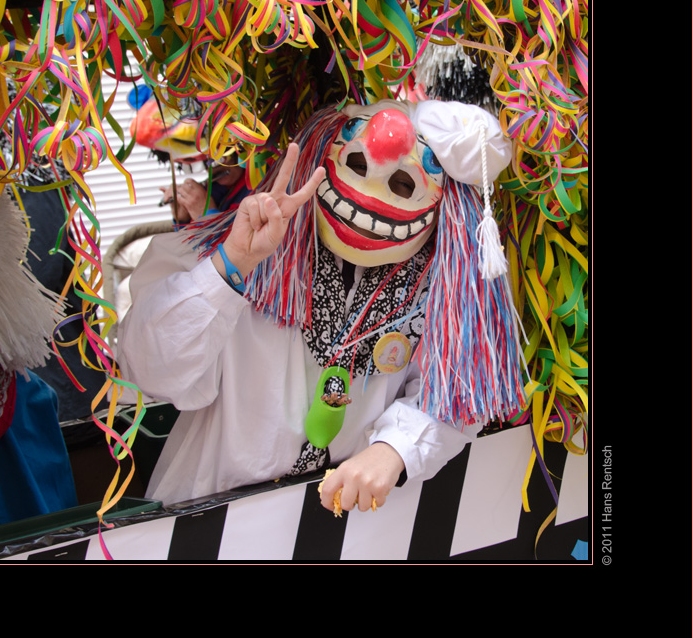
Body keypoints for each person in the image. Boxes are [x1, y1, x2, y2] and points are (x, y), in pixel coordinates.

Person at [116, 99, 519, 516]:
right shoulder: (212, 251)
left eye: (402, 184)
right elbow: (152, 373)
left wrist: (396, 448)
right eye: (358, 164)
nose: (375, 191)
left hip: (351, 525)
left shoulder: (441, 284)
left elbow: (458, 392)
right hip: (208, 521)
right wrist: (231, 266)